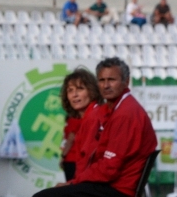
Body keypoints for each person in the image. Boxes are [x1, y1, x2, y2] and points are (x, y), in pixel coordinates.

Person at [33, 58, 157, 197]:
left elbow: (109, 168)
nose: (106, 85)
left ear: (126, 81)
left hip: (116, 189)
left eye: (111, 80)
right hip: (109, 185)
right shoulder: (115, 109)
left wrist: (74, 182)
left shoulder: (124, 113)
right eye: (102, 80)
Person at [59, 68, 101, 182]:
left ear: (92, 91)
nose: (74, 95)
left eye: (80, 89)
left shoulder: (95, 117)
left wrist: (73, 184)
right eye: (70, 90)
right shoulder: (87, 117)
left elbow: (92, 161)